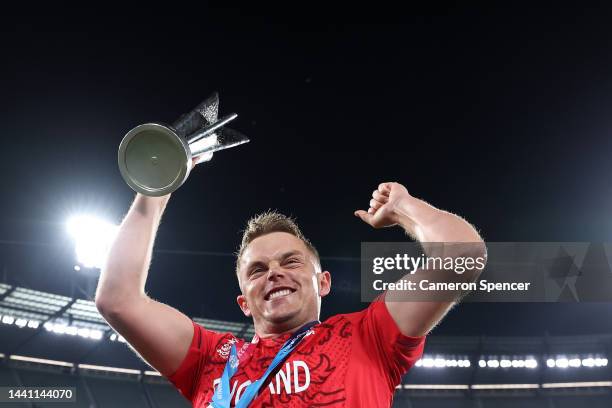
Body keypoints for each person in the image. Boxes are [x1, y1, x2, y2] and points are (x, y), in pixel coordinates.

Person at [95, 181, 485, 407]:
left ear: (323, 282)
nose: (275, 273)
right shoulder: (210, 359)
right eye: (258, 270)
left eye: (291, 262)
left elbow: (463, 256)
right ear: (244, 302)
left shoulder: (369, 336)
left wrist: (402, 207)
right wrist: (154, 191)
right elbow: (117, 299)